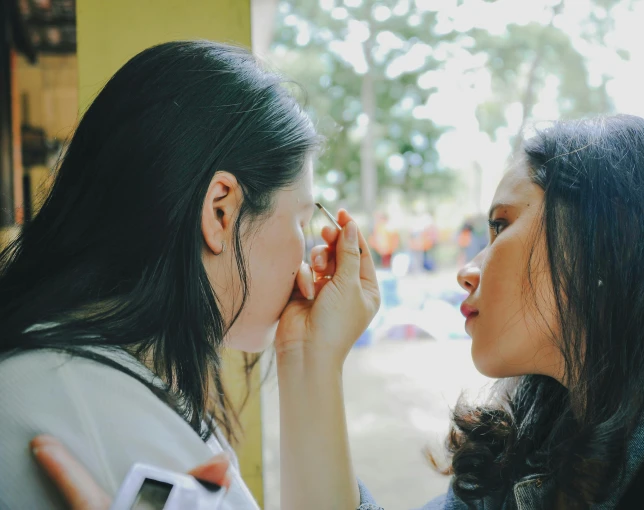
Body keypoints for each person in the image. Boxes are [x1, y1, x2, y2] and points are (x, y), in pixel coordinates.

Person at [24, 117, 644, 508]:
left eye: (501, 226)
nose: (468, 264)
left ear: (613, 238)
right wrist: (307, 356)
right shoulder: (534, 459)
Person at [0, 40, 379, 510]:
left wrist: (308, 355)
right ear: (221, 210)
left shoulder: (64, 371)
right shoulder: (105, 420)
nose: (305, 255)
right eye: (301, 221)